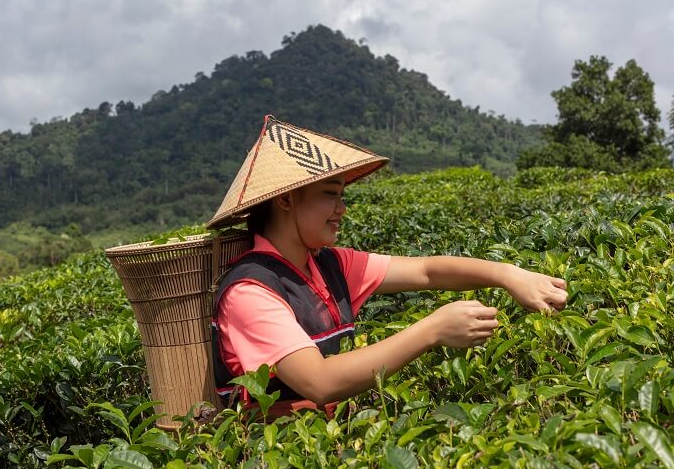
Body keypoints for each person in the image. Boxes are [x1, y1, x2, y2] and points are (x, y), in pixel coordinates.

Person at [206, 115, 567, 416]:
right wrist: (432, 330)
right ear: (285, 200)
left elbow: (428, 271)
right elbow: (318, 382)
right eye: (330, 194)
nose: (341, 209)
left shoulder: (329, 265)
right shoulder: (251, 291)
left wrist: (508, 274)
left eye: (341, 196)